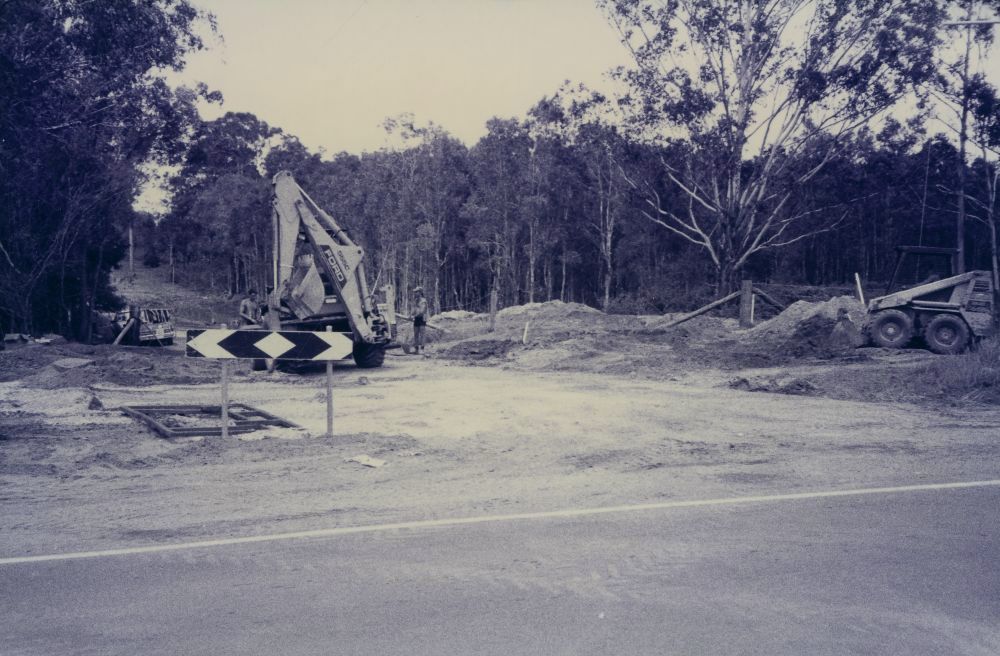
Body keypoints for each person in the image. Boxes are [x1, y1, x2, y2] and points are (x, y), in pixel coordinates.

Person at [412, 286, 428, 353]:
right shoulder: (415, 300)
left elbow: (422, 311)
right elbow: (414, 310)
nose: (415, 293)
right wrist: (411, 315)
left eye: (416, 292)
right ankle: (416, 348)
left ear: (420, 292)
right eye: (415, 292)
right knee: (416, 333)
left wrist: (415, 315)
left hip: (422, 318)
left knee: (422, 334)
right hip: (416, 318)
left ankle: (422, 349)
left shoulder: (423, 301)